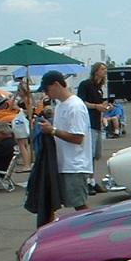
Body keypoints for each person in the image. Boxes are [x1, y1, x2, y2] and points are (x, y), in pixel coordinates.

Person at [37, 70, 91, 211]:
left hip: (75, 165)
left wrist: (52, 130)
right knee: (64, 203)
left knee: (79, 204)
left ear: (56, 85)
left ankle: (92, 224)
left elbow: (78, 138)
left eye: (47, 90)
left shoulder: (75, 106)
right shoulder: (60, 105)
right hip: (63, 163)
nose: (46, 94)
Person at [77, 62, 111, 193]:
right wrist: (96, 106)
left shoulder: (99, 87)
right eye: (102, 69)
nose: (104, 71)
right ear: (96, 71)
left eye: (105, 69)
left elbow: (99, 103)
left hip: (97, 123)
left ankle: (92, 180)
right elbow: (81, 102)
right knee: (88, 154)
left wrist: (105, 106)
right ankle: (86, 182)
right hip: (88, 123)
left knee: (96, 154)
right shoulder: (85, 85)